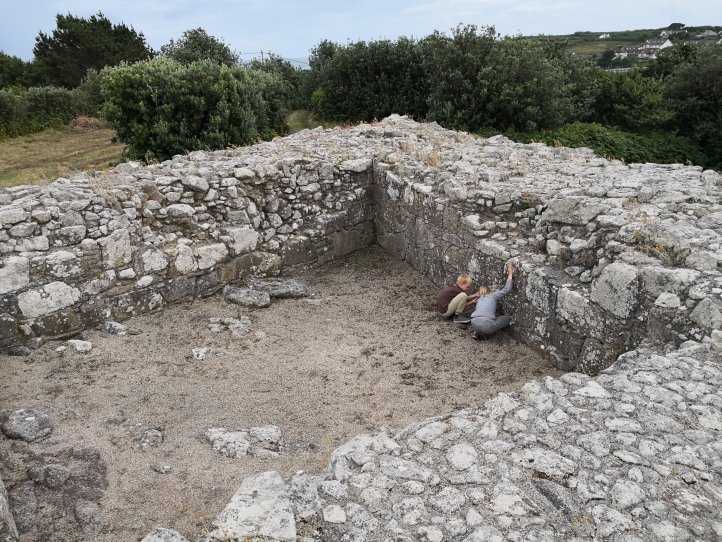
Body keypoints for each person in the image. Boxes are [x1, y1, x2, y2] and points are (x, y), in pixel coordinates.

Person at [470, 263, 515, 340]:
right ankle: (483, 331)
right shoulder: (493, 295)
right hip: (487, 325)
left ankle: (477, 332)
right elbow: (507, 289)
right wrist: (510, 273)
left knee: (483, 320)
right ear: (489, 291)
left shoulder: (479, 298)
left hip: (473, 322)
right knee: (506, 318)